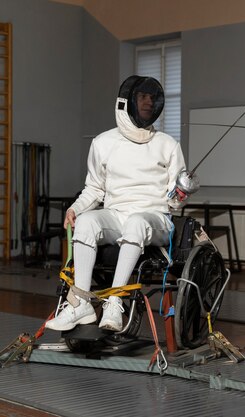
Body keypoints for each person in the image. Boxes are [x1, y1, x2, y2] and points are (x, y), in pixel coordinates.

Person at [46, 75, 194, 333]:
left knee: (137, 222)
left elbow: (174, 201)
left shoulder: (168, 145)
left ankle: (115, 302)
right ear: (128, 101)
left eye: (152, 98)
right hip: (117, 216)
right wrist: (75, 209)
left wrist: (180, 194)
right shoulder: (103, 142)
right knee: (87, 221)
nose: (148, 102)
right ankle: (81, 302)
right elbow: (94, 188)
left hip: (155, 219)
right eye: (142, 97)